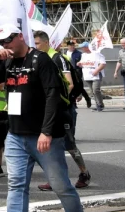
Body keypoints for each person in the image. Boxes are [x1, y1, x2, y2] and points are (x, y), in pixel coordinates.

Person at [0, 23, 88, 212]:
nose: (6, 45)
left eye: (9, 40)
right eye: (2, 42)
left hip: (43, 136)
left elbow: (53, 95)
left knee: (60, 185)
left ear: (20, 36)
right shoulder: (7, 61)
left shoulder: (41, 59)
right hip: (16, 135)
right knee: (16, 185)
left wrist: (46, 131)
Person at [33, 29, 91, 190]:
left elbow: (69, 84)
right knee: (48, 145)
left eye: (37, 43)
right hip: (47, 110)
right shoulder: (38, 59)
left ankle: (84, 173)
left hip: (63, 109)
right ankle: (55, 179)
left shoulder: (57, 58)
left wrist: (53, 102)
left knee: (69, 144)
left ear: (46, 42)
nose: (35, 46)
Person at [77, 42, 105, 111]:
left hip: (96, 75)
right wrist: (79, 64)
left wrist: (97, 70)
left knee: (96, 89)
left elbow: (103, 64)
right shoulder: (83, 55)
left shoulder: (97, 54)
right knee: (92, 91)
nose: (82, 49)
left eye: (83, 47)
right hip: (87, 75)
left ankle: (100, 104)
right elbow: (83, 63)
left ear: (87, 47)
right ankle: (97, 104)